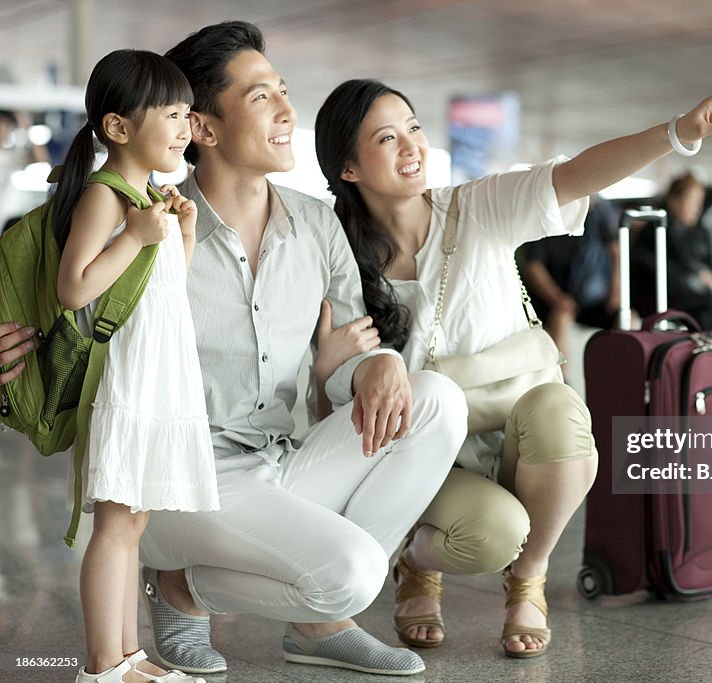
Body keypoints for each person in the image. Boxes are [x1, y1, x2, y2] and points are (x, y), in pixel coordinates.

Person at [0, 21, 466, 678]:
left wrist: (378, 362)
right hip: (180, 480)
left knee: (437, 398)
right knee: (356, 572)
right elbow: (69, 305)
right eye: (260, 96)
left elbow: (342, 358)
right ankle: (186, 588)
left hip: (282, 460)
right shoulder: (146, 216)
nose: (286, 110)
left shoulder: (315, 222)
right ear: (202, 128)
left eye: (283, 91)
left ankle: (314, 615)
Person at [313, 68, 712, 658]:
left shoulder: (477, 208)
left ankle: (529, 580)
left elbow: (576, 175)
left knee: (560, 409)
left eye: (412, 127)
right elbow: (334, 375)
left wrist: (677, 133)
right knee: (493, 536)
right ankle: (415, 559)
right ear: (348, 167)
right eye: (386, 138)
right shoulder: (337, 262)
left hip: (518, 427)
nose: (411, 146)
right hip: (424, 456)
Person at [52, 48, 217, 683]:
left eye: (187, 113)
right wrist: (135, 235)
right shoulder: (106, 195)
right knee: (118, 525)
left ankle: (127, 657)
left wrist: (183, 232)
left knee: (135, 522)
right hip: (126, 378)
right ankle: (102, 665)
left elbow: (164, 288)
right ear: (118, 128)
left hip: (159, 377)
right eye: (173, 113)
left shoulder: (152, 196)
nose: (185, 126)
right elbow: (75, 289)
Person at [521, 196, 621, 368]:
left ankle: (617, 375)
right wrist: (557, 298)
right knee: (561, 317)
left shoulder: (596, 217)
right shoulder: (546, 220)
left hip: (593, 298)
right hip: (557, 300)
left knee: (627, 316)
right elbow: (533, 266)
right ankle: (564, 381)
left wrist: (617, 289)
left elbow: (616, 252)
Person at [632, 171, 712, 329]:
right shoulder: (656, 229)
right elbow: (648, 266)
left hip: (683, 295)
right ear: (673, 200)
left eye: (699, 202)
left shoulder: (699, 232)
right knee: (705, 301)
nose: (697, 207)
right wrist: (699, 273)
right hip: (659, 299)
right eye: (691, 201)